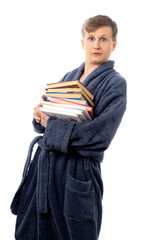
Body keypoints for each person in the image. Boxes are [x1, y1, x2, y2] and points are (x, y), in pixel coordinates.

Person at [11, 15, 127, 240]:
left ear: (113, 45)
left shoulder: (115, 83)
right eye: (91, 38)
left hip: (77, 171)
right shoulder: (69, 77)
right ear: (82, 43)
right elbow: (52, 123)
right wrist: (41, 117)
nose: (96, 44)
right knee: (33, 232)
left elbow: (98, 137)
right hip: (44, 168)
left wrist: (51, 125)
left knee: (73, 234)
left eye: (103, 39)